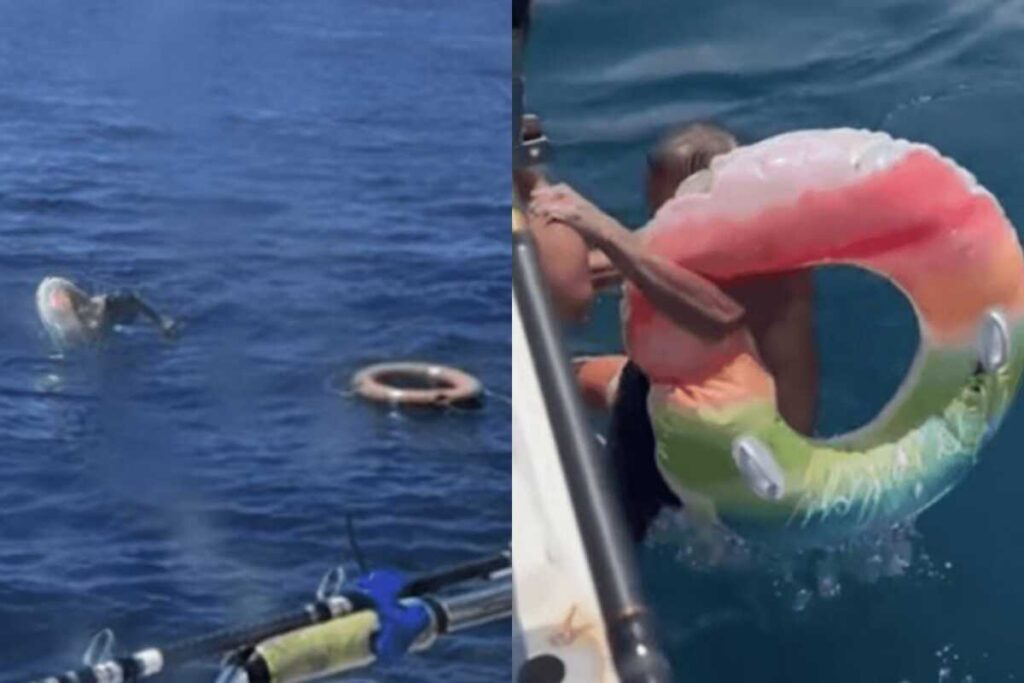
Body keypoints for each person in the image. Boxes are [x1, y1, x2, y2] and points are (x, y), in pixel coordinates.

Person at [531, 122, 819, 541]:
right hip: (706, 397)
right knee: (572, 379)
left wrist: (601, 230)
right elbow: (617, 264)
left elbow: (719, 317)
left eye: (664, 204)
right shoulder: (717, 226)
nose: (658, 217)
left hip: (744, 445)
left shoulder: (756, 253)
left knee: (609, 519)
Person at [36, 276, 179, 349]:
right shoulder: (74, 328)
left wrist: (161, 324)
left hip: (113, 314)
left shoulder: (108, 305)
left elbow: (134, 302)